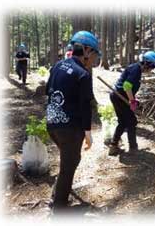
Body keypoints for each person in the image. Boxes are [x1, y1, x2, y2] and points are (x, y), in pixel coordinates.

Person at [45, 30, 101, 213]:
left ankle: (58, 191)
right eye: (93, 53)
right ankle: (59, 209)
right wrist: (88, 133)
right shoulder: (83, 74)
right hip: (70, 129)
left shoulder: (57, 66)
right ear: (85, 50)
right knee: (69, 166)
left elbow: (48, 91)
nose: (93, 59)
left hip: (52, 124)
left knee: (70, 160)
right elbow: (85, 107)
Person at [109, 51, 155, 156]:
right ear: (147, 63)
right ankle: (133, 148)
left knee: (123, 122)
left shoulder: (136, 69)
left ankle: (113, 146)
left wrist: (133, 99)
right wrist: (132, 101)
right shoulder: (136, 70)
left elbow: (129, 87)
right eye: (152, 67)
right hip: (119, 97)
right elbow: (127, 86)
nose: (152, 69)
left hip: (117, 96)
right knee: (131, 122)